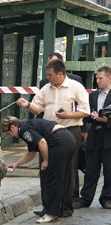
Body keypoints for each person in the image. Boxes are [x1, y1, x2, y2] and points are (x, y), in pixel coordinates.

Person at [17, 59, 90, 217]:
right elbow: (38, 109)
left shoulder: (76, 87)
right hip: (49, 132)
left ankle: (64, 208)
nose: (47, 78)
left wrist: (68, 115)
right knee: (45, 169)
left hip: (70, 130)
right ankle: (48, 207)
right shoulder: (45, 88)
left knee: (67, 171)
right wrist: (27, 105)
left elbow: (86, 111)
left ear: (60, 74)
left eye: (50, 75)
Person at [3, 116, 75, 223]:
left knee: (53, 178)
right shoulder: (27, 126)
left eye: (9, 133)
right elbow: (31, 153)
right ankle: (57, 209)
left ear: (13, 127)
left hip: (59, 140)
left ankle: (52, 213)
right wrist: (16, 164)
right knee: (61, 176)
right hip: (67, 138)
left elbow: (42, 142)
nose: (11, 136)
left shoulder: (23, 130)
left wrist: (45, 160)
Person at [73, 66, 111, 209]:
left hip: (109, 138)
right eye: (97, 78)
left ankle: (107, 198)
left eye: (101, 78)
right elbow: (84, 113)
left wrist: (106, 121)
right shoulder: (92, 96)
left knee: (109, 170)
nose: (98, 81)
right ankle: (86, 198)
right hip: (94, 137)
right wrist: (91, 119)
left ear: (109, 78)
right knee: (91, 169)